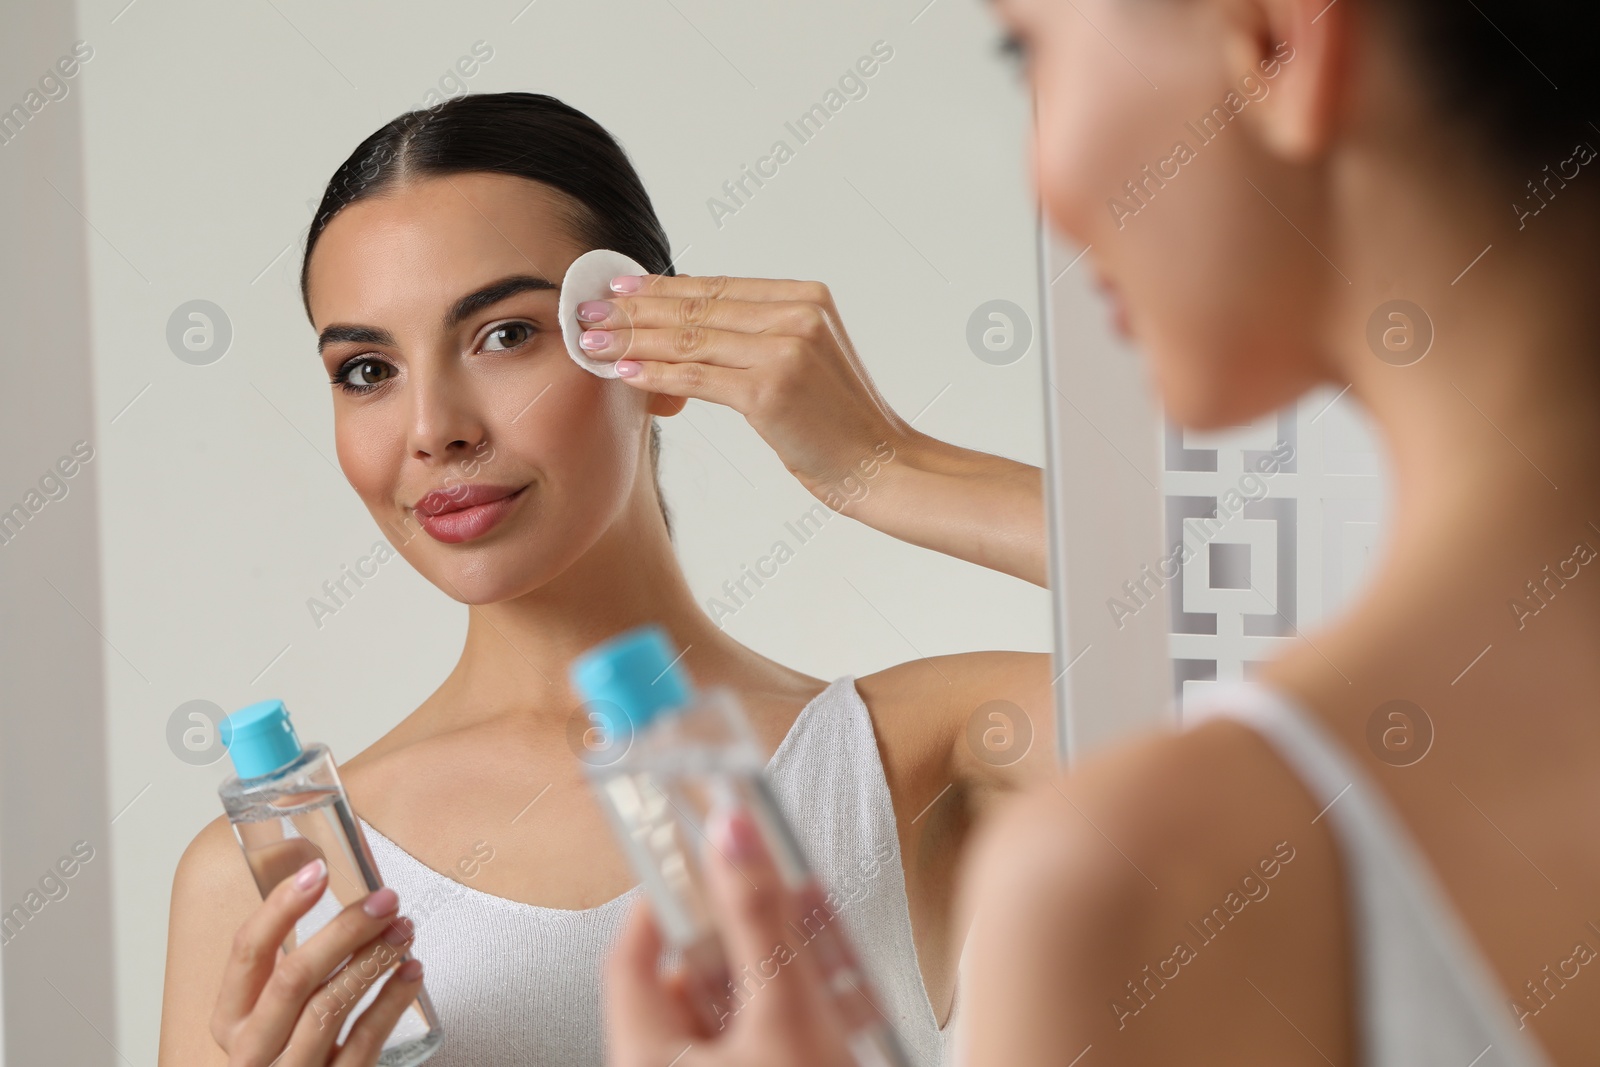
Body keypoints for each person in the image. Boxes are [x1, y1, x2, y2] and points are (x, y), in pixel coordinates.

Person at [604, 0, 1600, 1065]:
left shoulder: (1145, 882)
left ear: (1274, 41)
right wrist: (885, 466)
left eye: (1026, 49)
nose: (1044, 181)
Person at [156, 92, 1056, 1067]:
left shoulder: (921, 755)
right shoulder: (274, 878)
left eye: (504, 334)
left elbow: (1237, 650)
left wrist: (884, 464)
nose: (432, 428)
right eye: (368, 369)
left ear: (649, 347)